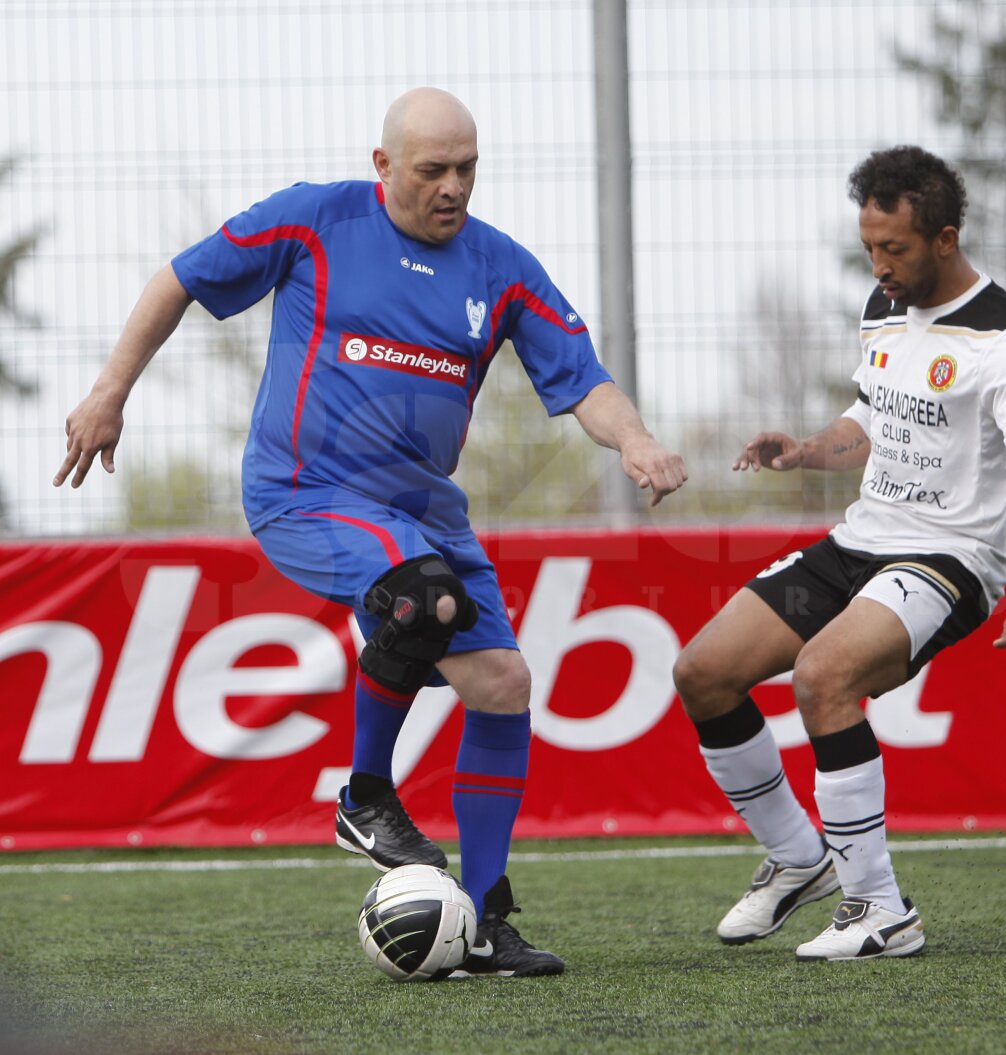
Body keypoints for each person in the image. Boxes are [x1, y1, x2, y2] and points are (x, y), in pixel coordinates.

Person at [54, 86, 687, 978]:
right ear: (383, 164)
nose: (454, 187)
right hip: (305, 493)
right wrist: (109, 392)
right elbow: (181, 278)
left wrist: (637, 439)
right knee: (423, 596)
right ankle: (365, 793)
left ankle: (485, 921)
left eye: (468, 168)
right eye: (433, 169)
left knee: (503, 682)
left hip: (425, 511)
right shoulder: (315, 220)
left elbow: (581, 377)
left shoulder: (501, 267)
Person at [672, 145, 1006, 962]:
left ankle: (880, 908)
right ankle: (796, 858)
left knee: (824, 676)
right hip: (862, 539)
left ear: (946, 239)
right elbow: (871, 417)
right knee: (702, 671)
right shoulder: (883, 308)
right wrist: (807, 448)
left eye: (895, 249)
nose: (880, 265)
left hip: (952, 559)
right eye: (870, 248)